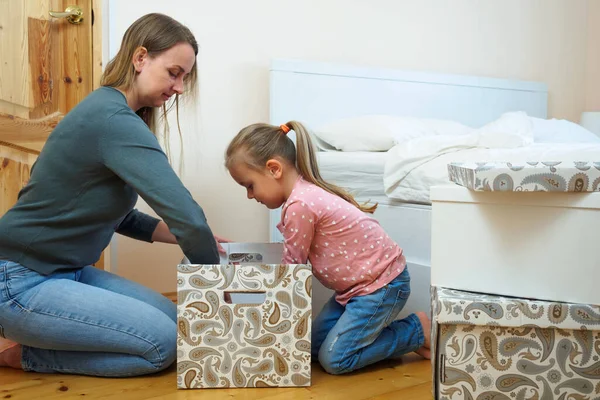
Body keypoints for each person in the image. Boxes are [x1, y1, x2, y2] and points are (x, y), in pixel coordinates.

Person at [0, 13, 226, 377]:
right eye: (174, 73)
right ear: (140, 59)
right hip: (19, 281)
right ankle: (20, 354)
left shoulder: (116, 114)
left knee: (175, 321)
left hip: (66, 272)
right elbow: (190, 218)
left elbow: (120, 216)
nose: (180, 88)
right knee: (162, 345)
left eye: (184, 77)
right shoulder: (112, 119)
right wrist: (218, 288)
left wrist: (194, 238)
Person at [225, 121, 431, 375]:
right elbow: (290, 253)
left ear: (274, 169)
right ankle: (384, 336)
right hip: (353, 290)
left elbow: (291, 270)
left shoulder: (300, 204)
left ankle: (416, 331)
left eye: (249, 185)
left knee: (335, 360)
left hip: (381, 287)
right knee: (310, 349)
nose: (250, 195)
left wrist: (253, 289)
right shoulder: (301, 197)